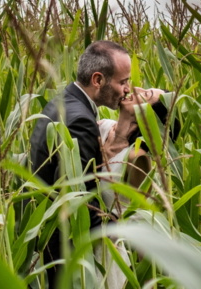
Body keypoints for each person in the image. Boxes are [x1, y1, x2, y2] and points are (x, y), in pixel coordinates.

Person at [29, 40, 140, 285]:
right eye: (122, 82)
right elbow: (76, 196)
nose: (127, 89)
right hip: (66, 253)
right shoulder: (81, 121)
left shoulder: (64, 102)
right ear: (98, 79)